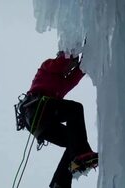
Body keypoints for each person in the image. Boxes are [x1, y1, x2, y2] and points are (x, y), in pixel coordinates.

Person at [23, 51, 98, 188]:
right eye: (69, 65)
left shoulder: (62, 82)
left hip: (40, 122)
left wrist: (88, 56)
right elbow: (60, 63)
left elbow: (76, 76)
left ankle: (59, 183)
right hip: (37, 108)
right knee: (74, 109)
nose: (69, 68)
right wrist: (73, 51)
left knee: (72, 140)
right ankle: (82, 156)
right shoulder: (47, 66)